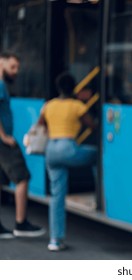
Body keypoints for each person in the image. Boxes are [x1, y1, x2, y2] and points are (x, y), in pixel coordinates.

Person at [38, 72, 97, 251]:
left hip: (51, 150)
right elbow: (92, 124)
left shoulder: (49, 105)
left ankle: (55, 240)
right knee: (96, 155)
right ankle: (99, 195)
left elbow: (41, 125)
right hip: (67, 147)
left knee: (57, 196)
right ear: (73, 88)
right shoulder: (76, 105)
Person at [0, 51, 46, 239]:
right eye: (12, 67)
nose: (16, 72)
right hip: (3, 140)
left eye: (18, 68)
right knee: (22, 177)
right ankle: (21, 223)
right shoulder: (1, 85)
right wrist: (4, 136)